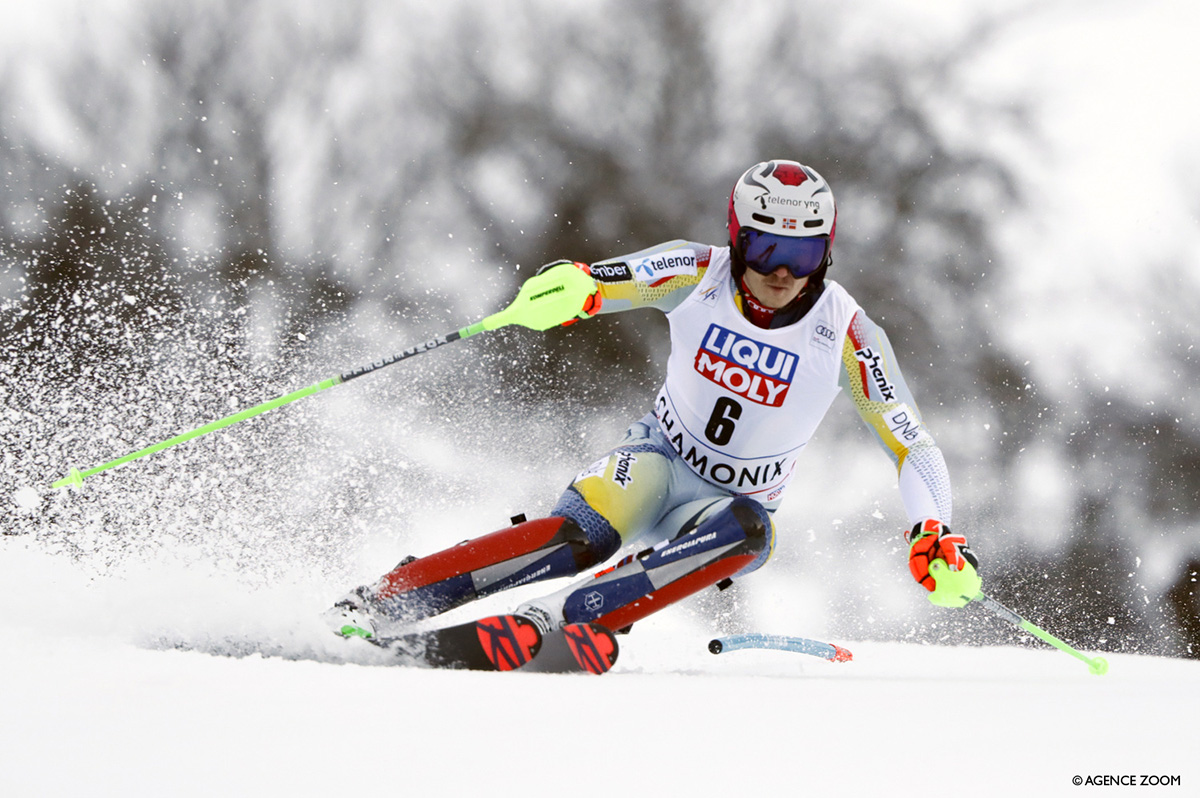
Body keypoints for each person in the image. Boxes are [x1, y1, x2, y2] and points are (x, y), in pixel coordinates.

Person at [324, 159, 980, 645]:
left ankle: (558, 624)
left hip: (727, 506)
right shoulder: (694, 273)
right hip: (657, 460)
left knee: (748, 531)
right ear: (738, 237)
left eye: (804, 251)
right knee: (579, 537)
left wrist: (935, 530)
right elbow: (604, 281)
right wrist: (569, 290)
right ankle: (387, 601)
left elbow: (912, 443)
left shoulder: (847, 333)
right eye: (766, 247)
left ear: (826, 250)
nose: (783, 271)